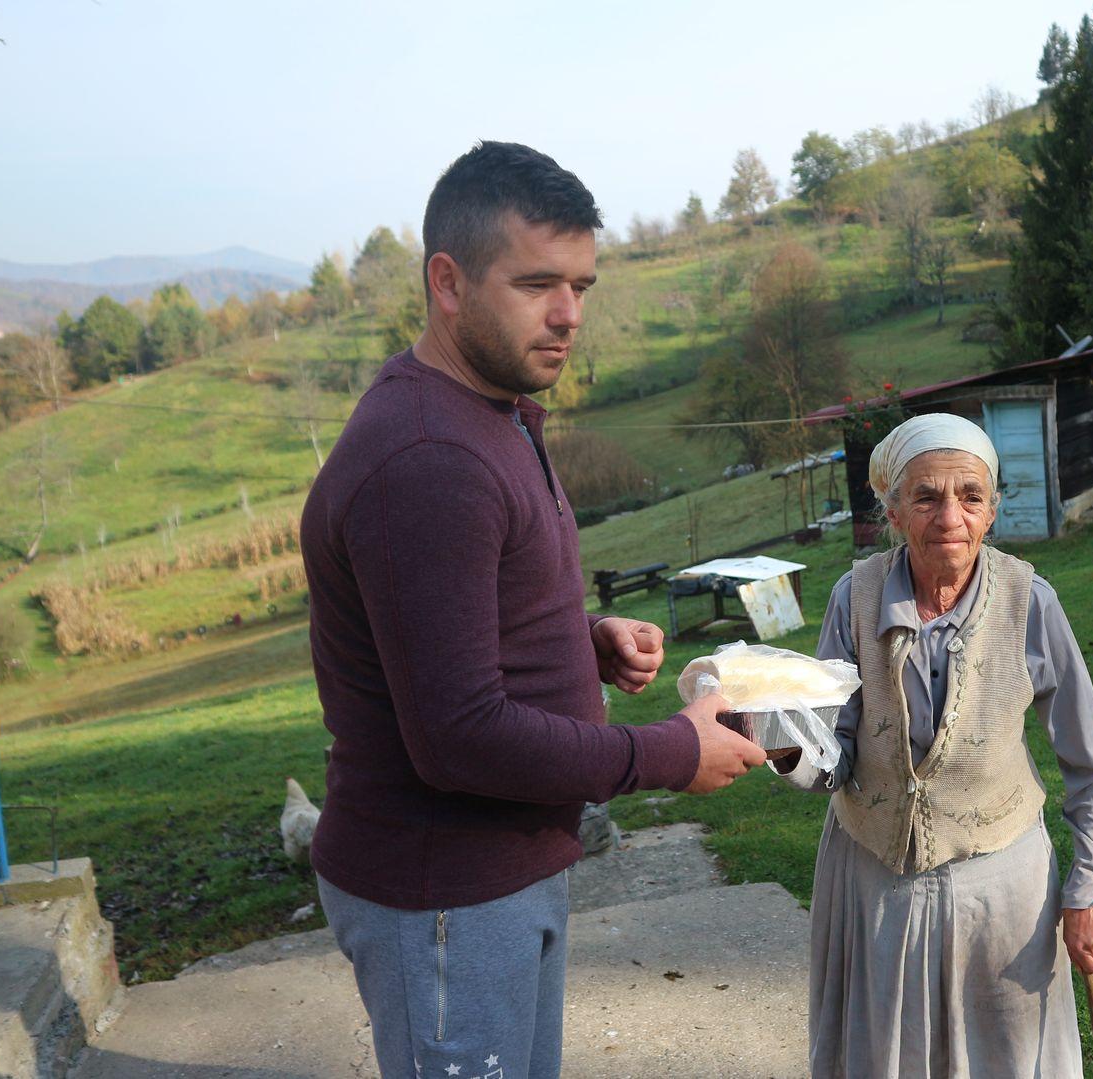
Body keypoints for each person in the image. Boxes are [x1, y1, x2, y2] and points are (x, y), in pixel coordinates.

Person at [298, 141, 764, 1079]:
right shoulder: (430, 458)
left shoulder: (491, 409)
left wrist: (579, 644)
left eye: (583, 285)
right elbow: (459, 735)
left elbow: (458, 621)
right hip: (445, 895)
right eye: (538, 283)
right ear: (448, 281)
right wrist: (671, 751)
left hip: (500, 870)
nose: (569, 315)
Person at [771, 412, 1093, 1077]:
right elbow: (833, 749)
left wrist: (1092, 887)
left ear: (992, 510)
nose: (950, 516)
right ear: (894, 511)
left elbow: (1091, 759)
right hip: (876, 891)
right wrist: (788, 748)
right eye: (927, 496)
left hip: (1003, 894)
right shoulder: (855, 599)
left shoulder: (1030, 601)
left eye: (970, 496)